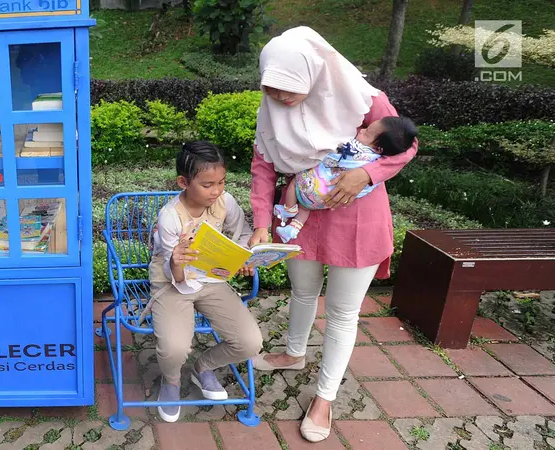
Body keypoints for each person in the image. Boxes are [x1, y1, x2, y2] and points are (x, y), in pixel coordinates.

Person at [248, 27, 418, 443]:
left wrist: (366, 172)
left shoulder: (360, 95)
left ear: (312, 72)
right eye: (272, 89)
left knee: (343, 312)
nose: (282, 99)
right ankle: (293, 352)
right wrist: (258, 223)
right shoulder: (269, 111)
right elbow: (263, 166)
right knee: (302, 292)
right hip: (299, 215)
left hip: (356, 213)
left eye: (289, 89)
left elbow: (407, 144)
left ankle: (324, 398)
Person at [149, 141, 262, 423]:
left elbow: (242, 234)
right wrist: (177, 261)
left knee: (250, 343)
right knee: (174, 349)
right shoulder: (170, 216)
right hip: (171, 281)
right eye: (208, 184)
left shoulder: (226, 202)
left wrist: (245, 257)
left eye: (221, 182)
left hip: (211, 279)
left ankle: (203, 367)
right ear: (184, 182)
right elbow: (172, 269)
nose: (217, 191)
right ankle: (171, 381)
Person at [273, 116, 418, 242]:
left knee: (295, 182)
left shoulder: (356, 148)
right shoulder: (377, 159)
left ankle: (289, 209)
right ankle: (292, 229)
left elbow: (333, 157)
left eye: (366, 133)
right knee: (306, 207)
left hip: (315, 186)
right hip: (328, 199)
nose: (361, 130)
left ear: (379, 148)